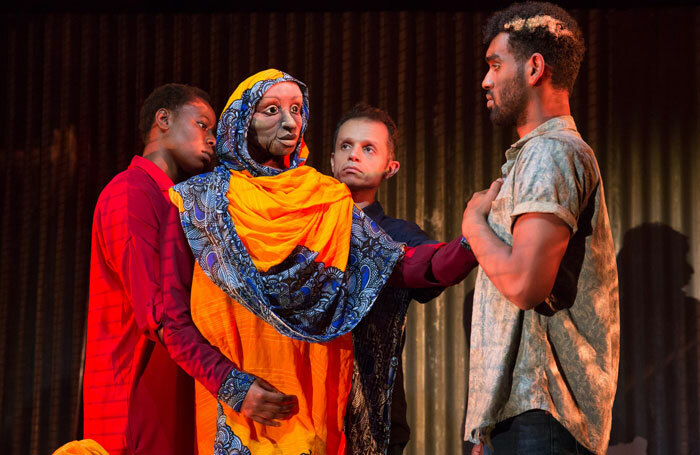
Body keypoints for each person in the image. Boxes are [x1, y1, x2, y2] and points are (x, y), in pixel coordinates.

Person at [170, 69, 477, 455]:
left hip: (313, 414)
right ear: (240, 120)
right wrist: (230, 384)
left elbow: (406, 265)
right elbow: (170, 316)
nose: (289, 121)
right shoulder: (199, 202)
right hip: (231, 409)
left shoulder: (325, 199)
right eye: (271, 110)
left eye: (297, 109)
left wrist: (474, 240)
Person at [83, 83, 295, 455]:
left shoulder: (183, 202)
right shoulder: (129, 191)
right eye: (202, 125)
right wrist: (230, 382)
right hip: (135, 397)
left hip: (180, 389)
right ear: (162, 120)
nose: (212, 140)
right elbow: (158, 313)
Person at [461, 3, 619, 454]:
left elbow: (525, 284)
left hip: (543, 412)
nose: (486, 80)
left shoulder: (552, 152)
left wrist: (473, 222)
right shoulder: (537, 155)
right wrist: (486, 425)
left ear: (534, 68)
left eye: (495, 65)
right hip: (524, 412)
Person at [331, 103, 469, 454]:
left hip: (378, 411)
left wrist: (476, 236)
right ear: (331, 160)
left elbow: (437, 268)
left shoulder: (399, 235)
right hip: (308, 403)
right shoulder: (304, 229)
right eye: (345, 146)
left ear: (390, 168)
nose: (354, 156)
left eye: (368, 149)